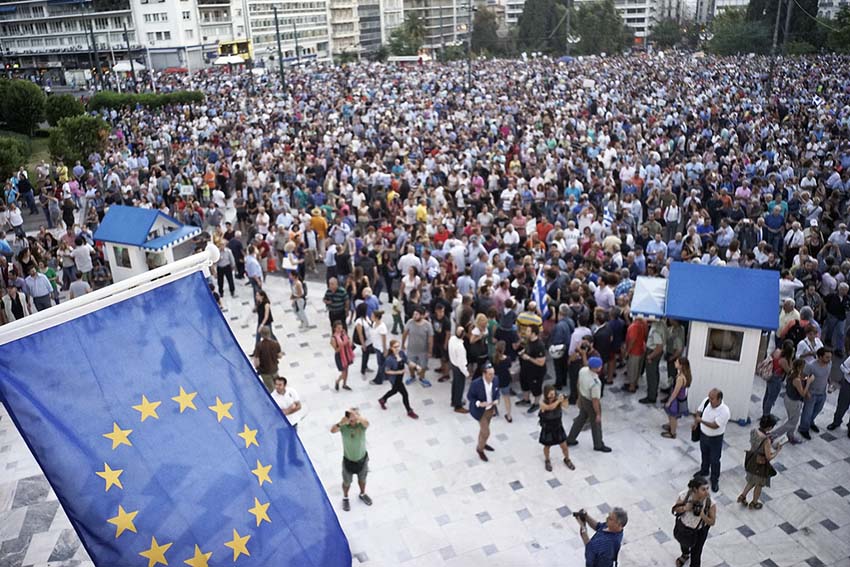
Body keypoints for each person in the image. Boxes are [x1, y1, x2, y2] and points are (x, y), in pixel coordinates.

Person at [565, 356, 611, 453]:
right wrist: (598, 414)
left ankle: (570, 439)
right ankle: (598, 444)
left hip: (583, 397)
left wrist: (579, 398)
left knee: (581, 418)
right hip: (590, 402)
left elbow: (578, 384)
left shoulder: (583, 370)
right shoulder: (596, 383)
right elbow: (595, 400)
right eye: (600, 366)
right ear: (596, 368)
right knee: (596, 424)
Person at [330, 408, 372, 512]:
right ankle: (345, 497)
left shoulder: (361, 426)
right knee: (346, 482)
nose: (352, 418)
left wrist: (357, 416)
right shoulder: (344, 427)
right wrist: (340, 423)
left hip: (362, 460)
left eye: (354, 416)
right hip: (348, 460)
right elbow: (332, 430)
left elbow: (367, 423)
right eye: (350, 416)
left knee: (362, 479)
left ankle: (362, 494)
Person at [737, 414, 782, 509]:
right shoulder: (766, 440)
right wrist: (777, 451)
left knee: (751, 481)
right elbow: (768, 457)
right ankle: (754, 502)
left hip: (752, 460)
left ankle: (742, 496)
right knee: (759, 485)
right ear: (770, 427)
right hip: (760, 464)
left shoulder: (754, 431)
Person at [672, 476, 717, 567]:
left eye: (707, 488)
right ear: (695, 489)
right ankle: (685, 555)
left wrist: (702, 515)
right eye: (703, 489)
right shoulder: (685, 495)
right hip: (683, 527)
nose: (707, 492)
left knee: (696, 553)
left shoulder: (710, 503)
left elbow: (712, 522)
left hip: (699, 531)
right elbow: (675, 509)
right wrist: (685, 508)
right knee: (683, 543)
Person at [693, 389, 730, 492]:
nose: (710, 400)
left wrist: (701, 421)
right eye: (709, 397)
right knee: (704, 454)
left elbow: (715, 425)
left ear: (719, 399)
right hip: (703, 435)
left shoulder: (724, 411)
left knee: (715, 460)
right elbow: (699, 411)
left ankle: (714, 479)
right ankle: (704, 470)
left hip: (715, 439)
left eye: (712, 399)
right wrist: (696, 421)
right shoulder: (706, 401)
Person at [467, 362, 500, 462]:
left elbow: (497, 391)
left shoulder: (496, 379)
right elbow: (470, 396)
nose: (492, 376)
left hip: (490, 409)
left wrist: (497, 399)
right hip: (480, 411)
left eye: (493, 373)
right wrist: (479, 403)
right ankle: (480, 449)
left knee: (483, 431)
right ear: (484, 374)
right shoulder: (476, 383)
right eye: (490, 374)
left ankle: (482, 443)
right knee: (486, 432)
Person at [378, 340, 419, 419]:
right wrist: (399, 372)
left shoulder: (401, 353)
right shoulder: (389, 359)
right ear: (391, 348)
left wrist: (416, 366)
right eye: (395, 347)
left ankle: (382, 399)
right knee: (405, 394)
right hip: (395, 379)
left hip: (400, 377)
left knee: (394, 390)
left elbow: (407, 361)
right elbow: (387, 371)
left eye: (398, 346)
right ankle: (409, 411)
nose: (397, 348)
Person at [538, 384, 575, 471]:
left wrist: (565, 399)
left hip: (558, 427)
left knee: (564, 446)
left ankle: (567, 459)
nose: (552, 396)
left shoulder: (557, 400)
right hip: (548, 428)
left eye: (553, 394)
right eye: (550, 394)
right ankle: (547, 460)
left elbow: (566, 406)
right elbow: (549, 408)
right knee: (547, 446)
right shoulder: (542, 402)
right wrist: (558, 401)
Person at [799, 346, 832, 440]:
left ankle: (810, 422)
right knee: (807, 413)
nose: (829, 359)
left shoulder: (829, 364)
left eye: (830, 357)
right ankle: (803, 428)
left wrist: (830, 383)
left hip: (822, 393)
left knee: (817, 410)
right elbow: (802, 378)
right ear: (820, 357)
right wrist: (806, 391)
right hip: (811, 394)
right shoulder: (811, 366)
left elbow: (827, 375)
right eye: (827, 357)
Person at [402, 307, 433, 388]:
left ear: (422, 316)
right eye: (414, 314)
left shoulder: (428, 325)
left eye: (416, 314)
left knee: (423, 366)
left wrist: (430, 351)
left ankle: (422, 378)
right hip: (411, 349)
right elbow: (405, 333)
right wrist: (402, 344)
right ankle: (412, 376)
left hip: (423, 351)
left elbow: (430, 339)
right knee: (410, 365)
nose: (414, 316)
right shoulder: (410, 322)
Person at [517, 326, 547, 413]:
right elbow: (528, 350)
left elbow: (541, 362)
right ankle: (526, 400)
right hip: (526, 369)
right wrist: (523, 352)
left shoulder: (540, 345)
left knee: (536, 388)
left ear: (533, 333)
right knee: (524, 384)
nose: (526, 332)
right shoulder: (529, 341)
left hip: (536, 372)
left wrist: (529, 358)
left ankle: (536, 403)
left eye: (528, 331)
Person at [661, 357, 692, 439]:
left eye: (677, 362)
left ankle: (672, 432)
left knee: (672, 415)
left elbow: (675, 392)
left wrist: (669, 401)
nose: (675, 362)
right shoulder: (683, 374)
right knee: (672, 414)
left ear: (681, 365)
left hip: (676, 400)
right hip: (680, 398)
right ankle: (670, 425)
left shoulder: (680, 378)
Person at [764, 341, 794, 418]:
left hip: (770, 375)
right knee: (771, 398)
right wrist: (790, 359)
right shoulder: (783, 360)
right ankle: (766, 415)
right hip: (776, 378)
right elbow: (789, 371)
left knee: (767, 395)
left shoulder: (777, 351)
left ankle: (764, 412)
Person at [827, 354, 850, 437]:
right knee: (842, 405)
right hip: (848, 384)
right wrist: (849, 371)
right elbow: (842, 367)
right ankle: (836, 422)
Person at [448, 325, 470, 413]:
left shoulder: (452, 339)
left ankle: (454, 401)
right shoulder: (460, 347)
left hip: (453, 364)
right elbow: (462, 363)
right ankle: (458, 406)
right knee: (459, 387)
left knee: (455, 384)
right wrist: (467, 373)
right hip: (459, 368)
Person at [254, 326, 282, 391]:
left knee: (271, 388)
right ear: (269, 333)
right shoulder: (275, 343)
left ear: (261, 335)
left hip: (265, 371)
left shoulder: (259, 345)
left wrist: (257, 368)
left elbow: (256, 360)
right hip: (274, 369)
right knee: (277, 384)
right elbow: (280, 356)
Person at [331, 320, 355, 391]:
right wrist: (342, 345)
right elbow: (336, 350)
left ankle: (344, 384)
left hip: (347, 354)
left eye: (341, 328)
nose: (340, 329)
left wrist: (348, 340)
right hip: (340, 356)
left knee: (346, 371)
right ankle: (337, 381)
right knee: (344, 373)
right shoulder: (333, 338)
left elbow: (349, 342)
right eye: (338, 328)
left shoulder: (344, 334)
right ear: (335, 328)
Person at [493, 340, 513, 422]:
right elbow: (509, 368)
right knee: (506, 398)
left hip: (496, 381)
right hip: (505, 380)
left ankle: (494, 411)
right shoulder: (508, 359)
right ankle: (509, 415)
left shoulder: (493, 359)